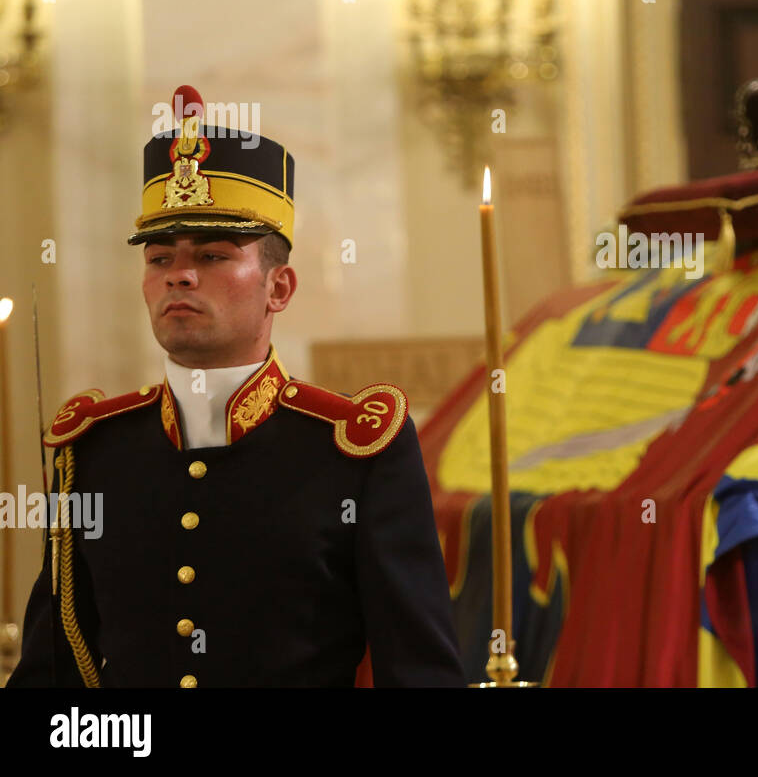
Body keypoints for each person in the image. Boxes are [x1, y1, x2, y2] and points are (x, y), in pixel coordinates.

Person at [7, 86, 465, 687]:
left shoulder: (353, 451)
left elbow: (419, 671)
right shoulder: (93, 452)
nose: (180, 274)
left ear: (279, 288)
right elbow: (54, 670)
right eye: (159, 258)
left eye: (215, 255)